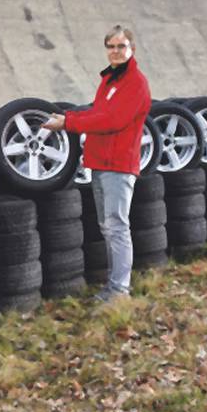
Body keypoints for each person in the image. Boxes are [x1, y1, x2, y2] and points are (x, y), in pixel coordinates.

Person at [41, 25, 152, 302]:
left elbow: (111, 120)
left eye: (121, 46)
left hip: (118, 165)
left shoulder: (135, 83)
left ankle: (119, 291)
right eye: (111, 47)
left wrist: (68, 123)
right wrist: (68, 115)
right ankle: (113, 287)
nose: (115, 51)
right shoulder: (109, 81)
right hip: (101, 163)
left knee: (116, 226)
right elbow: (97, 112)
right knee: (108, 227)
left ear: (132, 49)